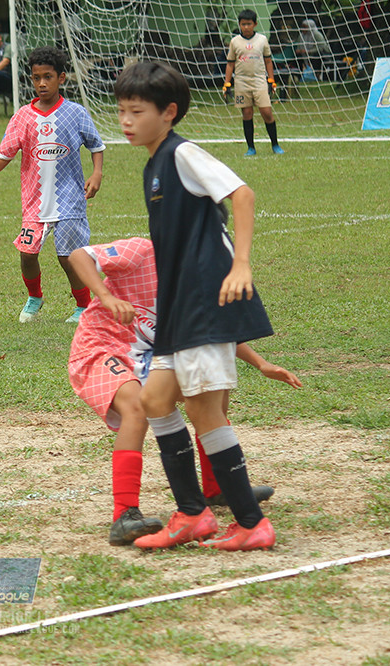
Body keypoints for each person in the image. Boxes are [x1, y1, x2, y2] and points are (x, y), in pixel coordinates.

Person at [115, 61, 277, 552]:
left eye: (136, 111)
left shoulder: (183, 154)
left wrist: (242, 265)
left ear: (168, 113)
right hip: (180, 306)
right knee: (155, 401)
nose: (125, 120)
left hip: (207, 302)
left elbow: (242, 193)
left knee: (206, 410)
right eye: (120, 110)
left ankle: (251, 523)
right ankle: (192, 515)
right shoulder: (154, 162)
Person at [68, 237, 301, 546]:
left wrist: (261, 364)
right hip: (101, 345)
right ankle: (124, 515)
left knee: (210, 394)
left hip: (154, 353)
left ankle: (217, 488)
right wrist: (106, 296)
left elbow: (213, 331)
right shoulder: (142, 251)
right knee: (136, 408)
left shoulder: (197, 275)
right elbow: (78, 255)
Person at [0, 46, 105, 324]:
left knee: (69, 258)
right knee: (27, 253)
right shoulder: (22, 117)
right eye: (36, 78)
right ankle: (35, 297)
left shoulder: (75, 113)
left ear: (62, 78)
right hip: (35, 201)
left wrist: (97, 172)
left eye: (48, 77)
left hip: (70, 199)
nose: (42, 83)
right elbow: (5, 154)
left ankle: (82, 305)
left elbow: (96, 145)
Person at [223, 10, 284, 156]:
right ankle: (251, 147)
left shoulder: (262, 40)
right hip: (242, 82)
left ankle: (275, 144)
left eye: (249, 24)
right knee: (247, 113)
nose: (246, 27)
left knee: (266, 112)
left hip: (259, 81)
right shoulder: (235, 42)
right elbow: (230, 64)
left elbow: (268, 61)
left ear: (255, 24)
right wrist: (227, 83)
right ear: (239, 25)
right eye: (243, 24)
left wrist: (271, 80)